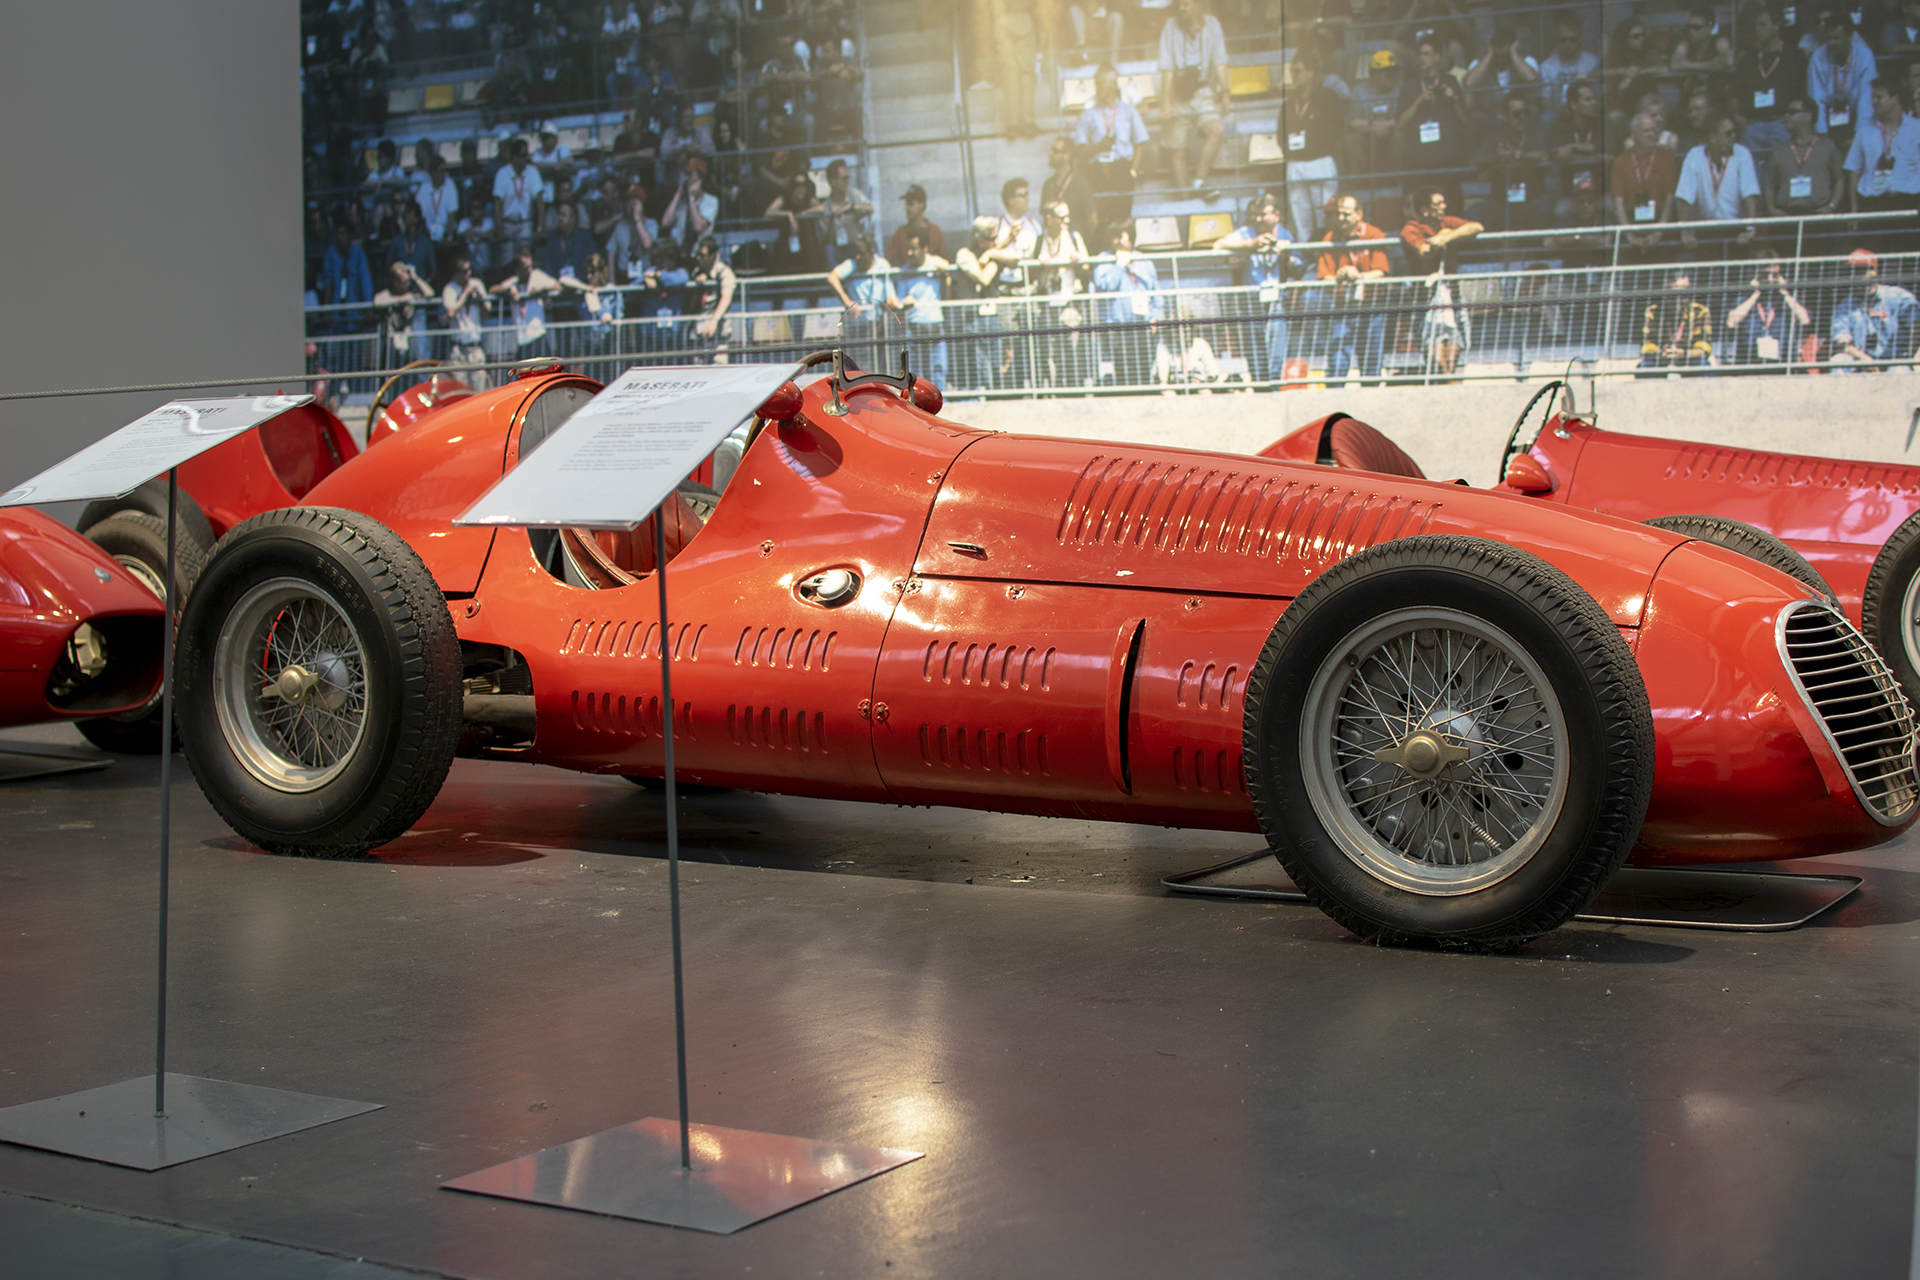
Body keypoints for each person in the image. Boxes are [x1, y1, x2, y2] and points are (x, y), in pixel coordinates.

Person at [1310, 195, 1391, 386]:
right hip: (1342, 308)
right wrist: (1339, 277)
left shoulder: (1374, 234)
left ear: (1359, 214)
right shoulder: (1329, 238)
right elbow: (1324, 275)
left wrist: (1359, 276)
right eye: (1338, 214)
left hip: (1372, 307)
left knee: (1371, 362)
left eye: (1346, 214)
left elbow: (1381, 271)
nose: (1341, 219)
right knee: (1338, 361)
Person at [1216, 191, 1295, 387]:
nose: (1258, 219)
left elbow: (1299, 266)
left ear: (1276, 215)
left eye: (1263, 214)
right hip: (1252, 300)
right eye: (1256, 214)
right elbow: (1217, 245)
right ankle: (1260, 388)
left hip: (1276, 300)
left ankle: (1274, 389)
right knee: (1254, 348)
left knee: (1276, 350)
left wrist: (1287, 253)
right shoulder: (1246, 232)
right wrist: (1249, 244)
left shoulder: (1286, 234)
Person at [1158, 0, 1231, 196]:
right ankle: (1186, 198)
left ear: (1199, 5)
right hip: (1177, 91)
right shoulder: (1170, 26)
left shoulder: (1213, 24)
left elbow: (1220, 62)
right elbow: (1167, 68)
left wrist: (1225, 94)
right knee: (1177, 148)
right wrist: (1165, 103)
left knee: (1216, 129)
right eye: (1178, 5)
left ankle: (1199, 182)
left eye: (1186, 4)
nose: (1181, 9)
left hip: (1202, 90)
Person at [1279, 40, 1346, 243]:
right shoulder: (1288, 104)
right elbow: (1280, 136)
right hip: (1296, 164)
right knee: (1302, 221)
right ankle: (1307, 260)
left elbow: (1339, 128)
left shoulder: (1328, 98)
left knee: (1326, 218)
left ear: (1311, 72)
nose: (1294, 76)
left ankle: (1326, 257)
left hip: (1321, 161)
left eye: (1298, 71)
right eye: (1292, 72)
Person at [1073, 64, 1152, 232]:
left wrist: (1133, 171)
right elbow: (1079, 151)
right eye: (1096, 84)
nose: (1098, 88)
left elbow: (1140, 142)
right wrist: (1098, 147)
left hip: (1122, 169)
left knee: (1122, 217)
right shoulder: (1088, 114)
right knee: (1100, 218)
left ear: (1113, 85)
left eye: (1101, 83)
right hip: (1096, 172)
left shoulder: (1129, 111)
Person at [1674, 114, 1763, 249]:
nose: (1733, 136)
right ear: (1713, 137)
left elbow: (1749, 193)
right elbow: (1685, 196)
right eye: (1728, 133)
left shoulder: (1742, 153)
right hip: (1705, 229)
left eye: (1734, 132)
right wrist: (1685, 233)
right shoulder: (1694, 156)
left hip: (1735, 228)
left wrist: (1750, 228)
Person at [1091, 223, 1161, 387]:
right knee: (1123, 371)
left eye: (1120, 236)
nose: (1116, 241)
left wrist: (1155, 316)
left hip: (1143, 324)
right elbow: (1105, 284)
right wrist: (1119, 265)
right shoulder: (1104, 258)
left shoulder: (1143, 260)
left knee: (1145, 369)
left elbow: (1155, 291)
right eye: (1113, 236)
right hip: (1118, 326)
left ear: (1130, 236)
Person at [1395, 36, 1470, 182]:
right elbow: (1399, 124)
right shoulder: (1409, 84)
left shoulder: (1449, 80)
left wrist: (1453, 99)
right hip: (1417, 158)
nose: (1422, 58)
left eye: (1426, 54)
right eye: (1419, 54)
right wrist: (1419, 101)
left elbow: (1465, 120)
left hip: (1446, 155)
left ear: (1437, 56)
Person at [1830, 247, 1920, 368]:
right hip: (1860, 363)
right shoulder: (1845, 306)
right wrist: (1864, 359)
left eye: (1859, 270)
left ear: (1873, 271)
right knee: (1839, 360)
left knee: (1899, 369)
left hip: (1895, 361)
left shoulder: (1899, 297)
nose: (1854, 275)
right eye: (1851, 271)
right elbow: (1842, 342)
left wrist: (1912, 356)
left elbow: (1917, 326)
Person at [886, 230, 953, 391]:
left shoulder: (935, 264)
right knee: (916, 373)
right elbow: (900, 300)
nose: (909, 252)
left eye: (914, 248)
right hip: (914, 328)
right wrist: (904, 303)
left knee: (939, 369)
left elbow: (946, 266)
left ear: (925, 248)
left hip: (935, 325)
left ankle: (941, 400)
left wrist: (944, 269)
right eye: (908, 248)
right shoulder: (904, 271)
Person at [1734, 7, 1807, 154]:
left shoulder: (1794, 56)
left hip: (1781, 124)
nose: (1757, 29)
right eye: (1755, 25)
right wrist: (1738, 118)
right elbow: (1735, 93)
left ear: (1776, 25)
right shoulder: (1747, 59)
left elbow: (1803, 93)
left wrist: (1791, 119)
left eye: (1762, 24)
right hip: (1753, 125)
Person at [1725, 249, 1813, 368]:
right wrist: (1755, 295)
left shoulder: (1789, 299)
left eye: (1774, 275)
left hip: (1782, 357)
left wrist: (1784, 292)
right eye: (1764, 275)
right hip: (1750, 358)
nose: (1770, 279)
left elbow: (1805, 320)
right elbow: (1731, 322)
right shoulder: (1744, 299)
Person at [1845, 79, 1920, 218]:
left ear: (1895, 99)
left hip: (1908, 202)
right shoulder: (1864, 132)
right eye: (1873, 97)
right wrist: (1854, 209)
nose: (1874, 101)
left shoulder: (1916, 128)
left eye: (1879, 97)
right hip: (1872, 204)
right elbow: (1854, 172)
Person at [1474, 93, 1548, 230]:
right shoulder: (1497, 133)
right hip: (1502, 197)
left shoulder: (1534, 130)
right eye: (1517, 114)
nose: (1522, 117)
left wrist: (1517, 154)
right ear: (1506, 116)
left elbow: (1544, 155)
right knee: (1481, 214)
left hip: (1532, 195)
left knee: (1542, 210)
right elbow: (1477, 159)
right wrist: (1498, 158)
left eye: (1525, 113)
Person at [1765, 97, 1848, 218]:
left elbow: (1839, 179)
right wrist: (1771, 209)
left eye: (1792, 112)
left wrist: (1832, 206)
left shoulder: (1827, 147)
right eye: (1786, 112)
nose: (1786, 116)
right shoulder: (1778, 151)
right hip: (1787, 216)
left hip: (1818, 216)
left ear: (1808, 116)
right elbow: (1769, 184)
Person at [1612, 111, 1679, 253]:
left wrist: (1658, 233)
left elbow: (1670, 199)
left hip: (1660, 222)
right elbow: (1618, 201)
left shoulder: (1667, 158)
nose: (1652, 134)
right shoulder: (1620, 161)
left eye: (1654, 130)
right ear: (1634, 135)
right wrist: (1629, 235)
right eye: (1646, 130)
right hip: (1631, 222)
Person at [951, 216, 1005, 391]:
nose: (996, 242)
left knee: (996, 364)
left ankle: (996, 396)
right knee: (980, 366)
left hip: (993, 316)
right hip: (973, 318)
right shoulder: (964, 254)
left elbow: (1017, 256)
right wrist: (995, 260)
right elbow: (983, 278)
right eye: (991, 239)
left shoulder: (992, 252)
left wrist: (991, 254)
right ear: (979, 239)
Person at [1810, 11, 1878, 143]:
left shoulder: (1865, 56)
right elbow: (1817, 100)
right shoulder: (1817, 58)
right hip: (1829, 119)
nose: (1832, 43)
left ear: (1850, 37)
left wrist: (1858, 136)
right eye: (1829, 38)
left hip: (1858, 117)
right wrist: (1823, 136)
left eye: (1837, 38)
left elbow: (1866, 101)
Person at [490, 244, 562, 359]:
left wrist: (542, 288)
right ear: (517, 269)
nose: (529, 271)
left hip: (538, 337)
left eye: (530, 267)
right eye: (525, 268)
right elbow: (492, 289)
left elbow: (558, 286)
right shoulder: (514, 282)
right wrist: (508, 289)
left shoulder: (537, 275)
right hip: (521, 340)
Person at [827, 233, 895, 354]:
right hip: (858, 328)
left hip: (879, 325)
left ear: (871, 251)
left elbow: (890, 295)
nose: (858, 256)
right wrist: (847, 301)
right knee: (860, 368)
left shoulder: (883, 265)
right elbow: (832, 277)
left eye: (861, 253)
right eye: (856, 253)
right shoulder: (851, 264)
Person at [1638, 270, 1714, 375]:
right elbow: (1645, 346)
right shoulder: (1653, 312)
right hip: (1661, 357)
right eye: (1673, 295)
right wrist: (1661, 353)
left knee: (1703, 365)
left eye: (1683, 295)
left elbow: (1704, 348)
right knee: (1644, 367)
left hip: (1688, 357)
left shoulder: (1700, 311)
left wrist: (1683, 353)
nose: (1678, 300)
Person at [441, 253, 491, 390]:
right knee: (461, 394)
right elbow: (451, 312)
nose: (468, 274)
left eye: (470, 270)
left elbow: (487, 312)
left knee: (479, 393)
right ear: (455, 273)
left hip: (475, 349)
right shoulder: (450, 289)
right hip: (458, 351)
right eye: (464, 271)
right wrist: (465, 294)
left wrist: (481, 298)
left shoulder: (477, 284)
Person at [684, 235, 737, 362]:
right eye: (697, 255)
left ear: (713, 255)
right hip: (698, 335)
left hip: (718, 334)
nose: (698, 258)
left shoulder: (724, 272)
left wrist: (714, 321)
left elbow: (726, 297)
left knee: (720, 374)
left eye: (702, 255)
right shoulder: (696, 272)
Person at [1349, 50, 1403, 174]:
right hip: (1366, 137)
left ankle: (1400, 182)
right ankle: (1358, 184)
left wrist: (1374, 124)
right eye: (1389, 73)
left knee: (1400, 136)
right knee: (1350, 140)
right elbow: (1353, 122)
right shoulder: (1359, 91)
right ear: (1375, 75)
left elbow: (1401, 120)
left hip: (1392, 135)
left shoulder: (1400, 88)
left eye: (1395, 73)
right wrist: (1373, 127)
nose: (1394, 77)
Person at [373, 260, 434, 367]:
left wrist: (415, 277)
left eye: (408, 281)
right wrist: (401, 300)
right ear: (395, 282)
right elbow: (377, 301)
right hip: (391, 348)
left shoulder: (411, 293)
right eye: (404, 282)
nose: (408, 284)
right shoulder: (389, 294)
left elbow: (430, 293)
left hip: (410, 346)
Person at [1042, 137, 1098, 247]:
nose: (1050, 154)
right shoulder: (1048, 185)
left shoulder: (1080, 184)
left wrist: (1082, 240)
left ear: (1067, 156)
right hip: (1052, 247)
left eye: (1055, 151)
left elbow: (1093, 220)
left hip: (1073, 245)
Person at [821, 158, 875, 267]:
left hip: (855, 247)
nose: (848, 182)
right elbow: (825, 240)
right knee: (829, 250)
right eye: (844, 179)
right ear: (833, 181)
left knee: (869, 246)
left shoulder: (853, 194)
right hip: (838, 249)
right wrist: (832, 219)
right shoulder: (826, 206)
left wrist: (852, 207)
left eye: (848, 178)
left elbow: (870, 208)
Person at [492, 139, 544, 247]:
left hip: (525, 223)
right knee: (507, 260)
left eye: (526, 155)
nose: (524, 159)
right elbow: (497, 204)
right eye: (521, 155)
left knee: (525, 258)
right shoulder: (502, 173)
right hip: (507, 224)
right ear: (514, 156)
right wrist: (500, 230)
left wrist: (539, 228)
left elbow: (539, 202)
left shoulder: (533, 172)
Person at [1538, 17, 1599, 107]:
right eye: (1563, 40)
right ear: (1557, 40)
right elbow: (1546, 100)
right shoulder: (1547, 66)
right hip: (1557, 112)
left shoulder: (1592, 62)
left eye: (1572, 40)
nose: (1568, 44)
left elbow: (1596, 95)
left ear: (1580, 40)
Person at [659, 157, 718, 250]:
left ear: (700, 179)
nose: (686, 178)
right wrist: (678, 193)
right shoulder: (682, 202)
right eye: (685, 174)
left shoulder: (711, 201)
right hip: (680, 252)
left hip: (699, 253)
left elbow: (698, 227)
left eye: (690, 174)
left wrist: (692, 198)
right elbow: (665, 222)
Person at [605, 184, 658, 283]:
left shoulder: (651, 224)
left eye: (632, 201)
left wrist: (637, 220)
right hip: (624, 275)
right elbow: (611, 253)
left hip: (645, 276)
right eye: (627, 201)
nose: (628, 205)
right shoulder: (620, 226)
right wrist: (612, 282)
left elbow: (648, 245)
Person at [1463, 27, 1540, 94]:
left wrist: (1513, 52)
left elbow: (1530, 78)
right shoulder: (1479, 62)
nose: (1501, 59)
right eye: (1497, 55)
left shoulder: (1526, 60)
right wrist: (1489, 53)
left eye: (1505, 55)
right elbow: (1470, 83)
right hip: (1490, 108)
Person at [887, 185, 948, 264]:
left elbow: (945, 262)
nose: (907, 208)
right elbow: (888, 262)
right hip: (908, 276)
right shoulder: (900, 233)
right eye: (906, 204)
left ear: (921, 205)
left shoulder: (935, 231)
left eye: (911, 204)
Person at [1670, 7, 1734, 79]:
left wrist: (1686, 65)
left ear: (1709, 28)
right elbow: (1675, 64)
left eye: (1697, 27)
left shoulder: (1719, 41)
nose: (1691, 31)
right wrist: (1709, 65)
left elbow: (1728, 61)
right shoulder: (1685, 43)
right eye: (1689, 27)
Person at [415, 154, 461, 242]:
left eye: (445, 171)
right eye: (441, 171)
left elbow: (452, 214)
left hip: (446, 233)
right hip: (429, 234)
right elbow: (421, 215)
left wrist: (449, 237)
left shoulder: (450, 184)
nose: (444, 174)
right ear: (433, 173)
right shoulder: (424, 188)